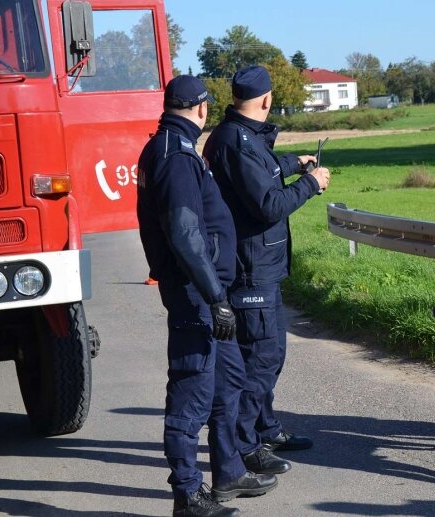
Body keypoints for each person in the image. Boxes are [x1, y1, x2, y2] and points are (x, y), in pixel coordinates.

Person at [137, 74, 278, 517]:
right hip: (196, 294)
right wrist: (215, 294)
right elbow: (183, 232)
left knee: (228, 380)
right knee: (190, 395)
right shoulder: (174, 156)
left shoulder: (170, 148)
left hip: (206, 291)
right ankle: (188, 495)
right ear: (201, 109)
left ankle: (230, 471)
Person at [203, 65, 330, 474]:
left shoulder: (243, 136)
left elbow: (265, 170)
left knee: (269, 355)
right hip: (249, 267)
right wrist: (313, 183)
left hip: (262, 265)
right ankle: (245, 446)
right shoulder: (236, 142)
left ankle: (265, 427)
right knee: (259, 358)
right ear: (266, 99)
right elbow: (269, 205)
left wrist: (296, 163)